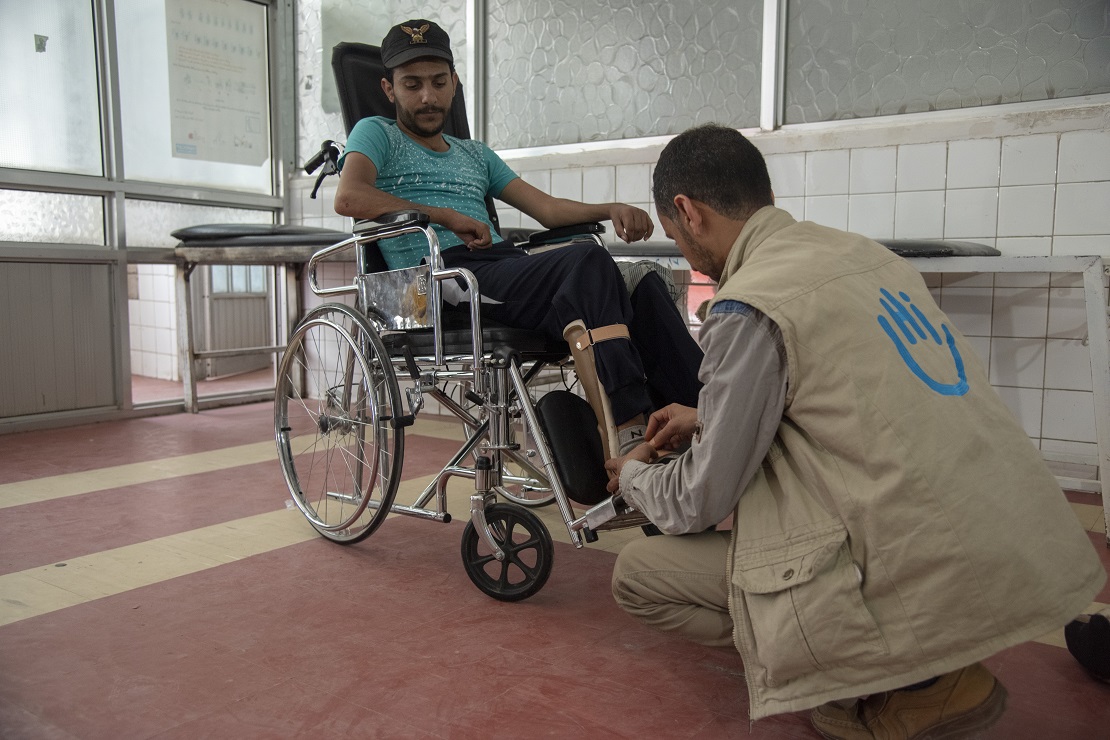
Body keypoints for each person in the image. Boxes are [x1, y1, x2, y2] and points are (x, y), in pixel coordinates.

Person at [605, 123, 1106, 737]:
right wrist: (708, 416)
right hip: (1009, 542)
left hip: (914, 563)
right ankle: (930, 659)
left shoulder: (747, 305)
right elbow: (847, 402)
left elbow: (699, 500)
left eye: (675, 234)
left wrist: (633, 475)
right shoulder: (869, 257)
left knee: (638, 576)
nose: (683, 249)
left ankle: (905, 680)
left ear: (686, 211)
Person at [333, 19, 702, 460]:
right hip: (430, 284)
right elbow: (349, 195)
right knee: (586, 262)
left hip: (493, 268)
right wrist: (444, 215)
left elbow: (546, 209)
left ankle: (701, 423)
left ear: (454, 84)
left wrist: (610, 209)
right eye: (412, 85)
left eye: (438, 82)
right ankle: (626, 430)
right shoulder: (377, 133)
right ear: (389, 89)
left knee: (641, 281)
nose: (428, 97)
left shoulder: (475, 154)